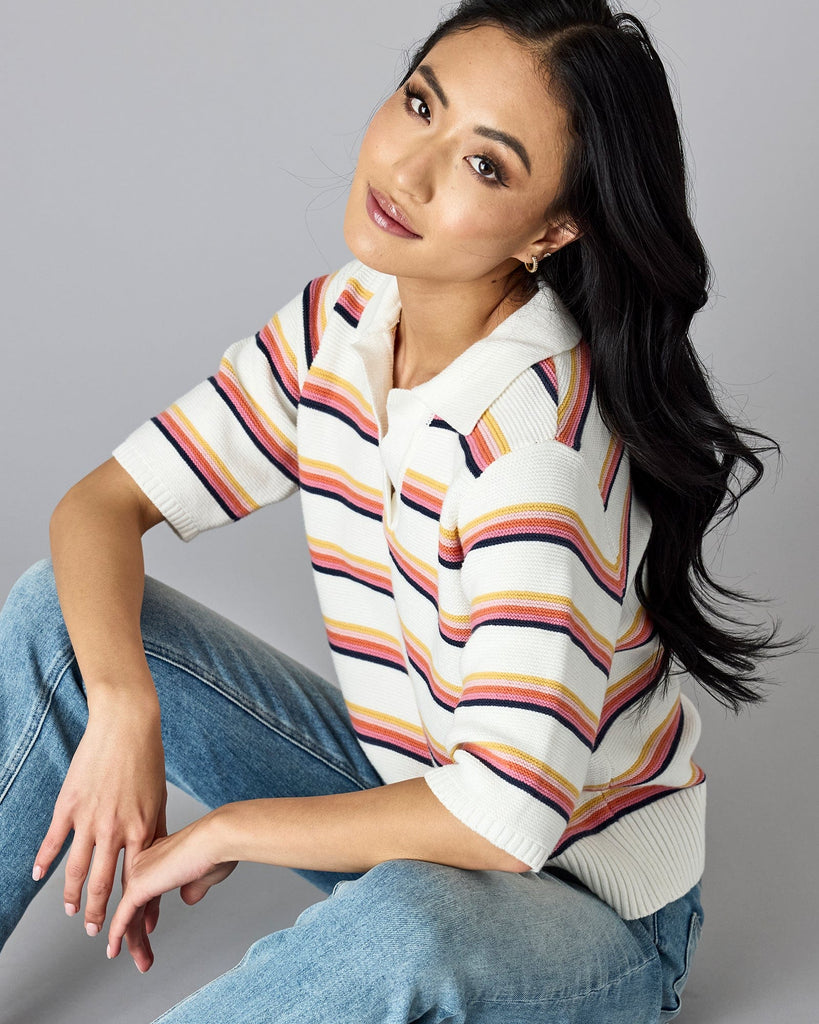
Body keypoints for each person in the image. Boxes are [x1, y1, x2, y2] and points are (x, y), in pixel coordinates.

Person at [0, 2, 801, 1021]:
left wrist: (223, 829)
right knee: (60, 623)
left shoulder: (532, 453)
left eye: (486, 166)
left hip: (586, 911)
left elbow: (503, 821)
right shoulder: (345, 318)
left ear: (553, 230)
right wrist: (122, 704)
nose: (411, 169)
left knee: (402, 929)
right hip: (416, 790)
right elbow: (99, 508)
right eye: (422, 103)